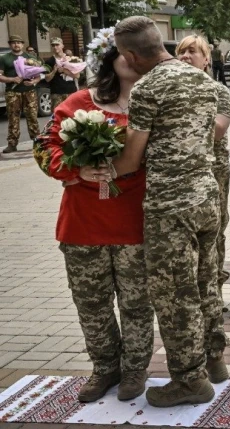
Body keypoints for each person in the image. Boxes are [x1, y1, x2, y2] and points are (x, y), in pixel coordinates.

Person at [104, 16, 226, 407]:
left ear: (129, 55)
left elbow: (130, 160)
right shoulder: (204, 82)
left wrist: (100, 167)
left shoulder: (148, 87)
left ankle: (190, 381)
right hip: (207, 197)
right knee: (207, 282)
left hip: (170, 207)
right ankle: (215, 359)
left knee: (175, 294)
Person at [32, 29, 153, 403]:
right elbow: (45, 146)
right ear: (110, 60)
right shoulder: (79, 102)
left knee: (136, 302)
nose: (130, 60)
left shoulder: (155, 104)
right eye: (122, 54)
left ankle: (135, 369)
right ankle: (104, 368)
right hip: (84, 221)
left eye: (135, 54)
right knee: (92, 303)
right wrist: (74, 171)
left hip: (136, 221)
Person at [176, 35, 230, 297]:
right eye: (181, 52)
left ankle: (214, 289)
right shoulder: (168, 91)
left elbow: (218, 131)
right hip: (180, 174)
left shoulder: (218, 91)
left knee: (215, 231)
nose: (186, 56)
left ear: (206, 60)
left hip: (213, 172)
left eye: (192, 52)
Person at [0, 35, 44, 153]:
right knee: (13, 118)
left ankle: (37, 142)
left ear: (22, 45)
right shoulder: (5, 59)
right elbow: (0, 76)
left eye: (19, 42)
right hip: (12, 92)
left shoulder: (29, 57)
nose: (16, 45)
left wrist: (33, 82)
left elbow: (38, 76)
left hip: (29, 91)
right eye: (14, 43)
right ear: (10, 45)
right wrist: (12, 79)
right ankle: (12, 143)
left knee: (32, 117)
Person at [44, 38, 81, 110]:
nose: (55, 47)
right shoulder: (49, 61)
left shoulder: (71, 59)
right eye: (53, 45)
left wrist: (64, 70)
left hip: (71, 91)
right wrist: (54, 71)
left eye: (57, 45)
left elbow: (77, 76)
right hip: (56, 92)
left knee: (72, 116)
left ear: (62, 46)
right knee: (57, 117)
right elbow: (47, 79)